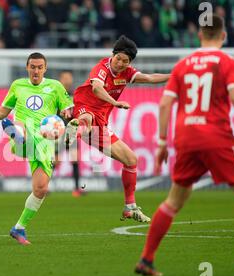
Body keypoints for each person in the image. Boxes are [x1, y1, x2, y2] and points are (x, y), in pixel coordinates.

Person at [134, 14, 234, 276]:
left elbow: (166, 103)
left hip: (186, 138)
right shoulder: (228, 62)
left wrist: (162, 142)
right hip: (216, 137)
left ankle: (146, 260)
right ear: (223, 36)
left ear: (199, 35)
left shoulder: (183, 65)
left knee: (174, 201)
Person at [0, 52, 73, 245]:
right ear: (27, 67)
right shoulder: (18, 85)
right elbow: (3, 111)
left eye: (39, 67)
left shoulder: (56, 87)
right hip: (24, 132)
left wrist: (65, 119)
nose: (36, 70)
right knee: (20, 130)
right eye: (32, 67)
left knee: (41, 189)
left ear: (45, 68)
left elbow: (68, 111)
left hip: (45, 143)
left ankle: (18, 228)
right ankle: (17, 136)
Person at [66, 35, 170, 223]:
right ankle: (72, 132)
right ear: (112, 55)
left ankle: (129, 207)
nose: (121, 63)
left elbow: (148, 77)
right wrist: (115, 102)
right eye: (118, 58)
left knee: (131, 160)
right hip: (84, 107)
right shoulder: (101, 68)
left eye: (126, 61)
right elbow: (97, 89)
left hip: (102, 123)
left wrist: (174, 76)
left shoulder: (127, 73)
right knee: (85, 119)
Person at [55, 70, 84, 197]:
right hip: (57, 131)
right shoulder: (56, 95)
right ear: (60, 80)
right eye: (64, 77)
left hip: (71, 131)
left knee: (75, 159)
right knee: (55, 161)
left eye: (69, 77)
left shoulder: (76, 94)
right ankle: (43, 187)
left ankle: (77, 189)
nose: (67, 80)